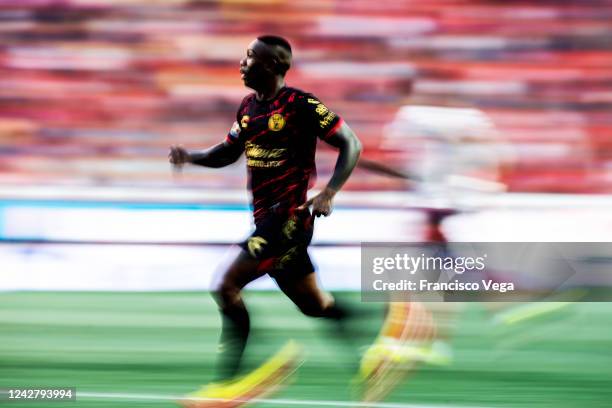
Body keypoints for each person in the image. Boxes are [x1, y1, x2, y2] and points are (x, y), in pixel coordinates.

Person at [169, 35, 362, 406]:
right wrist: (190, 157)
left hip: (287, 219)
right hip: (267, 219)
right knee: (315, 305)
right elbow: (228, 152)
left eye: (251, 57)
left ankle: (228, 385)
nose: (243, 63)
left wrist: (328, 193)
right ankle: (380, 340)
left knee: (226, 286)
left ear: (274, 64)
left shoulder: (301, 104)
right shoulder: (248, 107)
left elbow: (351, 143)